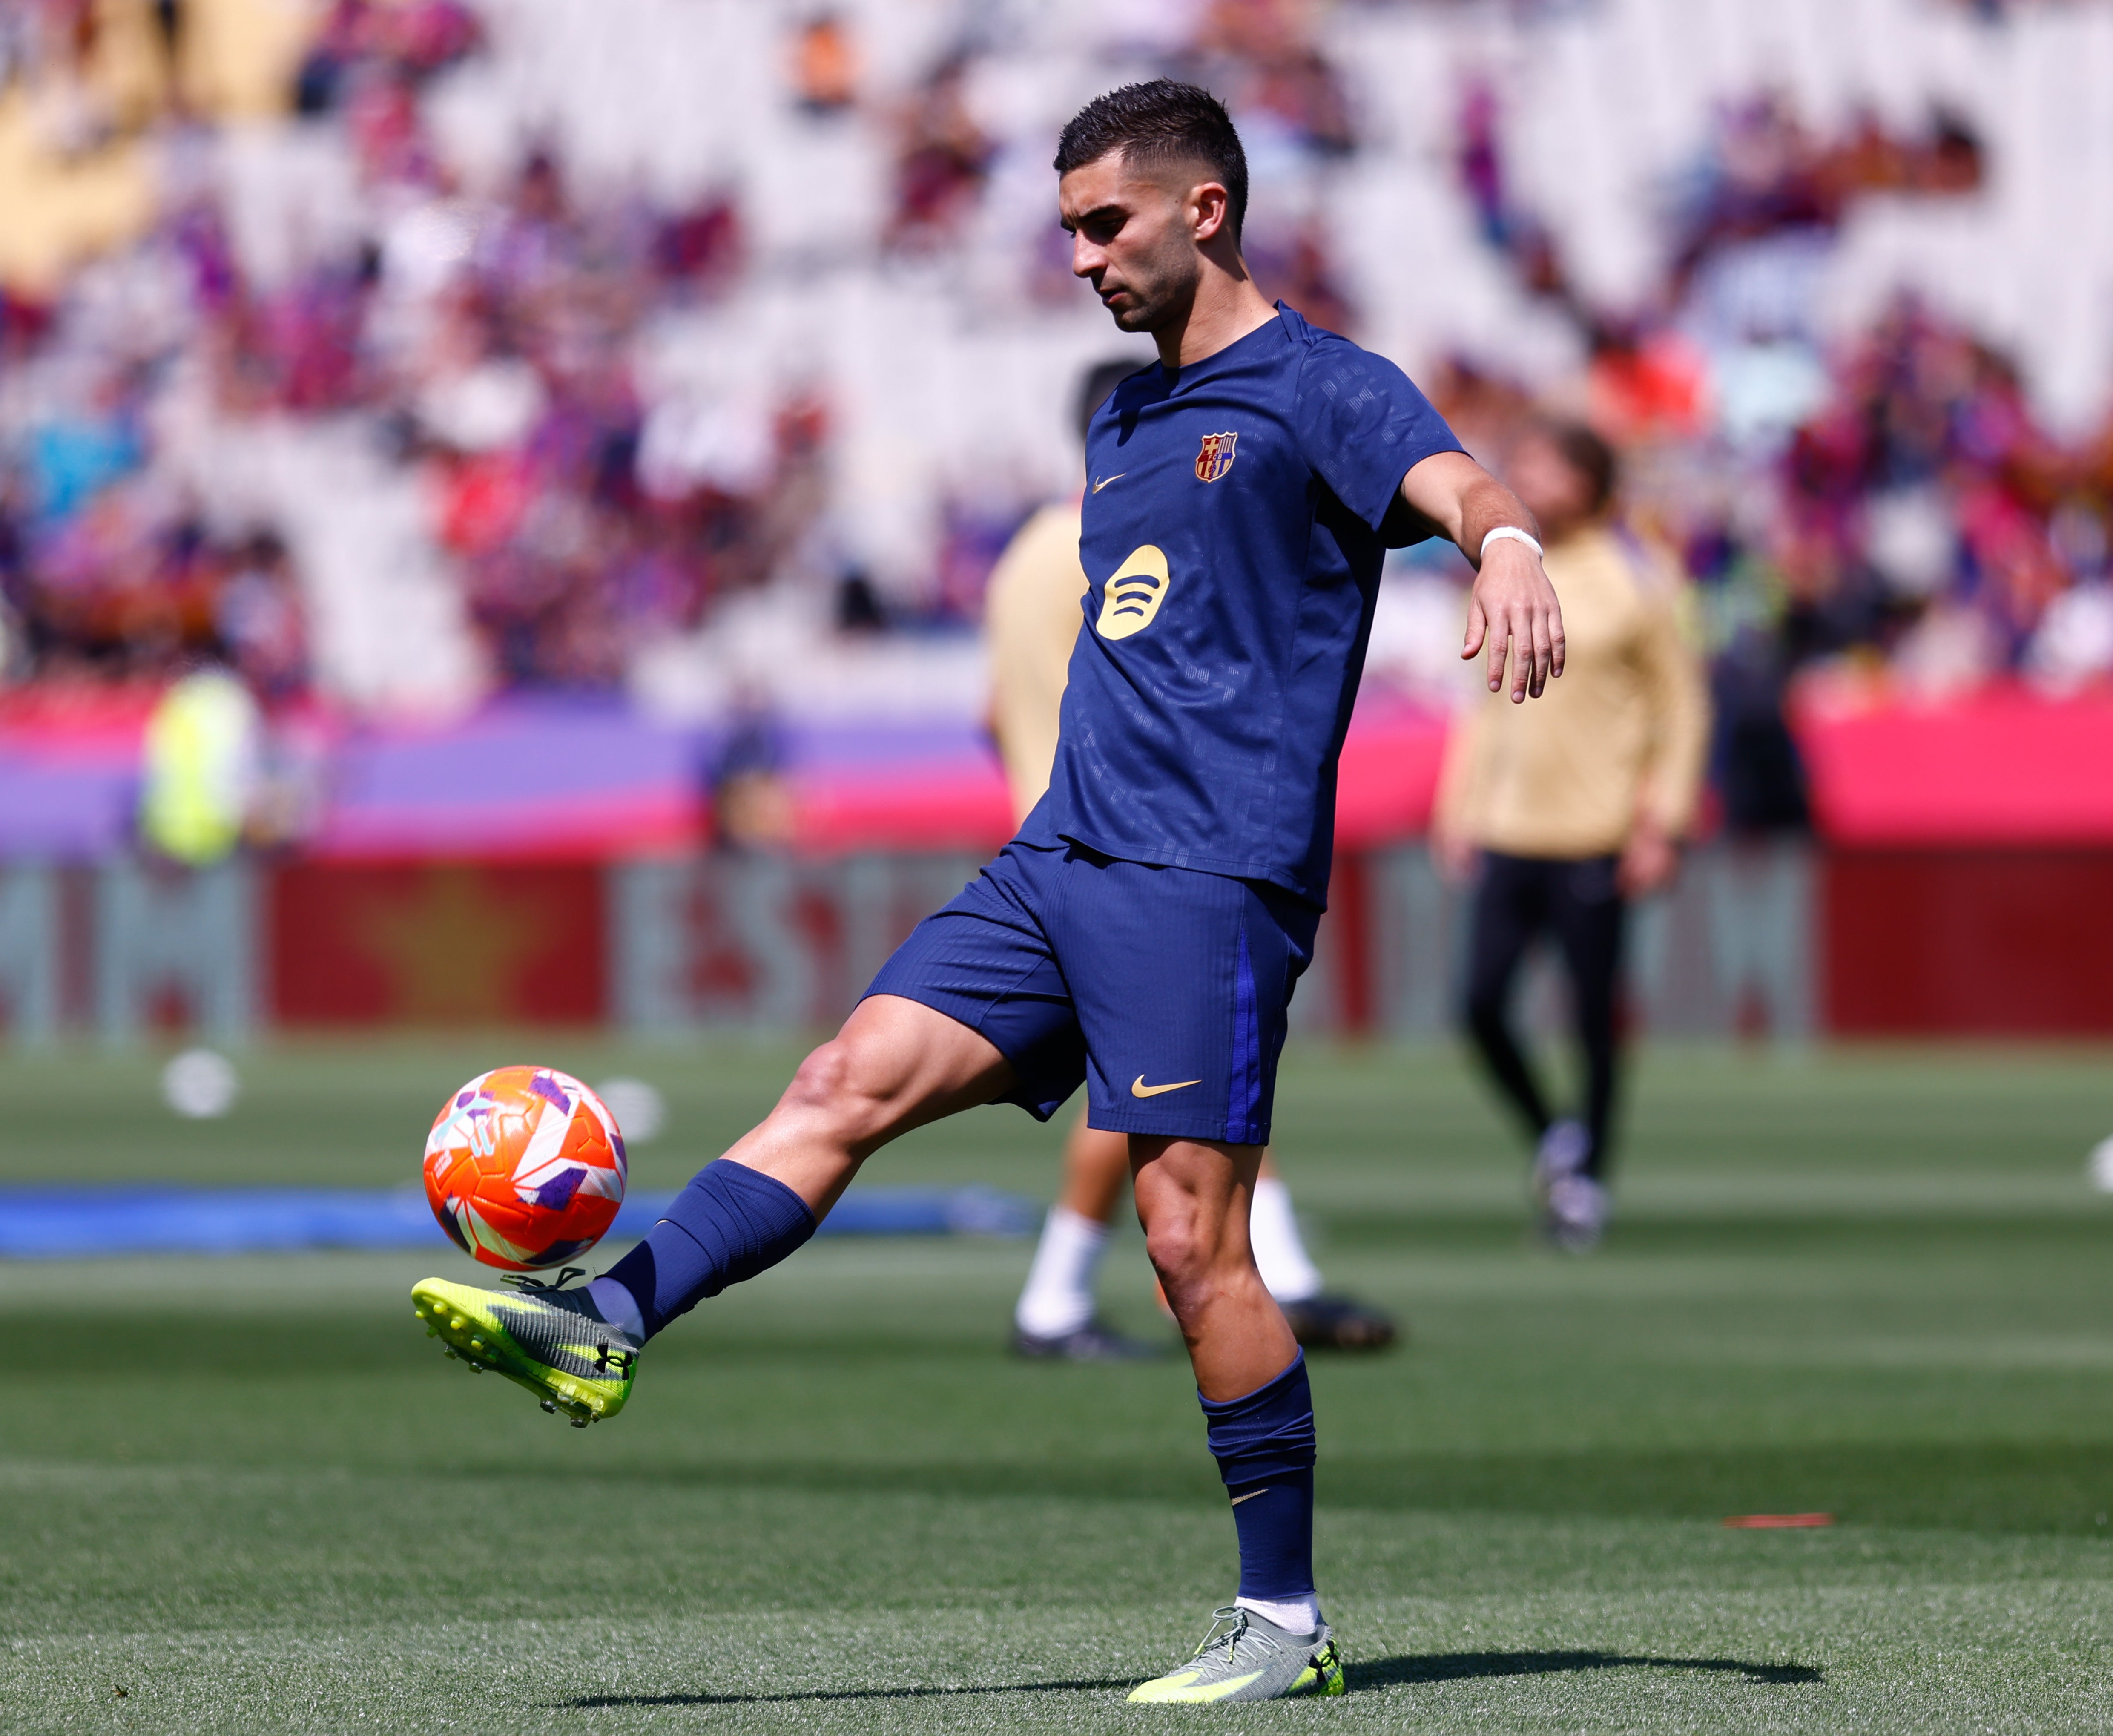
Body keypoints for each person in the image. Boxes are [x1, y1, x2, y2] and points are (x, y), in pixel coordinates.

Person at [410, 80, 1565, 1705]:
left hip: (1203, 876)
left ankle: (1284, 1624)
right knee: (839, 1080)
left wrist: (1506, 544)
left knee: (1186, 1240)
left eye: (1107, 223)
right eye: (1071, 227)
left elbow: (1461, 484)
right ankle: (604, 1316)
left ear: (1205, 210)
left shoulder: (1321, 387)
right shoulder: (1121, 419)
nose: (1081, 255)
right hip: (1058, 860)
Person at [990, 359, 1397, 1359]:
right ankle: (1062, 1299)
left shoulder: (1019, 558)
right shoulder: (1115, 538)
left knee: (1203, 1072)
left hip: (1054, 827)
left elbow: (985, 706)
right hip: (1126, 835)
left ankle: (1264, 1270)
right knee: (1162, 1077)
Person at [1431, 417, 1708, 1252]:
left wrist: (1662, 822)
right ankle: (1557, 1134)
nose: (1527, 480)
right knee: (1477, 1006)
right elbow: (1480, 705)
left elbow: (1683, 709)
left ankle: (1586, 1178)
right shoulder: (1506, 568)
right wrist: (1457, 808)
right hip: (1511, 828)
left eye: (1544, 468)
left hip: (1595, 830)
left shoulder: (1636, 576)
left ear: (1590, 481)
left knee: (1590, 1017)